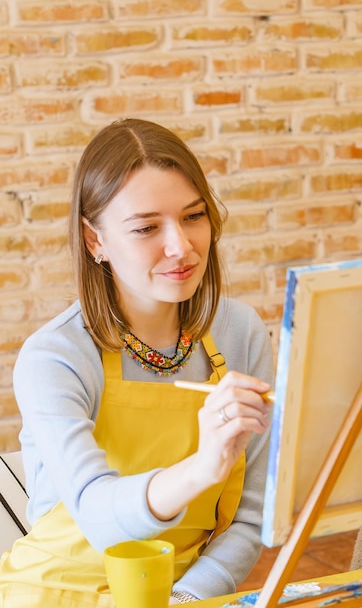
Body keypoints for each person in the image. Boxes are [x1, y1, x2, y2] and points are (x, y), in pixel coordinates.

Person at [0, 118, 274, 607]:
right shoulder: (55, 357)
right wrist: (203, 467)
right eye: (147, 227)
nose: (181, 247)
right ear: (94, 241)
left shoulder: (241, 333)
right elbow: (99, 518)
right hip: (56, 594)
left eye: (194, 216)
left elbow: (253, 518)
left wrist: (188, 597)